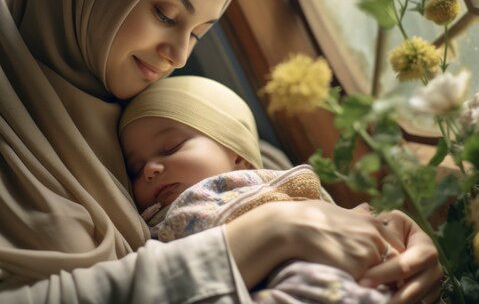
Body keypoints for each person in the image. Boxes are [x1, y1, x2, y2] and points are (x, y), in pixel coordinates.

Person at [0, 0, 442, 303]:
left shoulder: (159, 105)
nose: (177, 54)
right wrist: (259, 239)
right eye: (166, 14)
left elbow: (271, 188)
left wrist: (391, 241)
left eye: (198, 32)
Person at [119, 74, 392, 304]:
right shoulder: (160, 228)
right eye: (135, 168)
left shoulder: (274, 183)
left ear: (238, 157)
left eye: (171, 147)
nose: (150, 169)